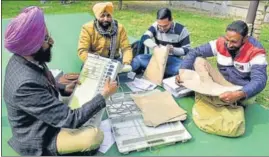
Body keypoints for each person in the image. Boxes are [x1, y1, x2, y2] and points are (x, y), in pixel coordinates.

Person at [4, 6, 118, 156]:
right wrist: (103, 95)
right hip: (41, 138)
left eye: (47, 35)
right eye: (45, 39)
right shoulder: (25, 85)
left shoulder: (26, 57)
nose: (51, 41)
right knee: (94, 136)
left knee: (79, 96)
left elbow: (40, 87)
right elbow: (71, 119)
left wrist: (62, 88)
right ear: (30, 46)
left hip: (43, 118)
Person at [176, 20, 267, 106]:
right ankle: (212, 92)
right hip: (222, 81)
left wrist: (239, 94)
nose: (229, 45)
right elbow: (195, 51)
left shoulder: (256, 51)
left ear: (245, 39)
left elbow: (259, 80)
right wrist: (183, 73)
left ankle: (223, 99)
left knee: (245, 100)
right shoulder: (221, 43)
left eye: (234, 42)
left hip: (240, 88)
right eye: (227, 39)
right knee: (199, 60)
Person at [131, 8, 191, 77]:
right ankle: (164, 73)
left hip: (173, 60)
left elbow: (187, 50)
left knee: (184, 66)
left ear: (171, 20)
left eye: (165, 26)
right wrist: (155, 47)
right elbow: (144, 37)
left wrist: (173, 50)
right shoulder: (156, 26)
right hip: (157, 58)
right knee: (138, 59)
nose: (162, 28)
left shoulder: (182, 30)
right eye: (160, 26)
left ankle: (157, 71)